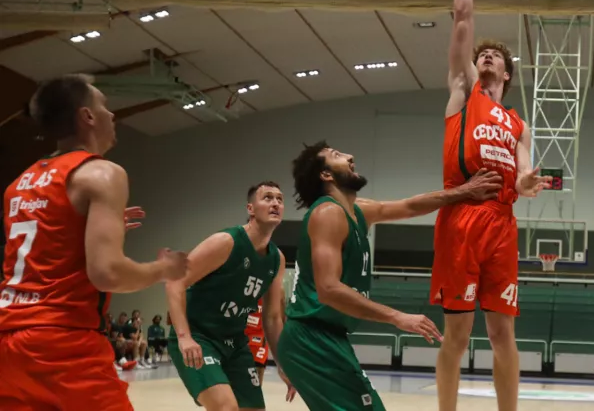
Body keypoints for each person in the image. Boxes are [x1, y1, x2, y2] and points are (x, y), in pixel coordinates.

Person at [0, 73, 187, 411]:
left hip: (8, 344)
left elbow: (47, 248)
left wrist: (92, 226)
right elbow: (107, 274)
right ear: (87, 116)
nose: (112, 114)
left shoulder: (18, 184)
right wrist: (164, 269)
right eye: (104, 106)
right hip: (63, 344)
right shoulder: (102, 173)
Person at [278, 141, 503, 411]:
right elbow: (329, 290)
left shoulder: (357, 211)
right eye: (337, 155)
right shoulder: (327, 213)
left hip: (326, 338)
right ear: (326, 174)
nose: (350, 156)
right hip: (310, 338)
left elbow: (409, 206)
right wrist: (397, 317)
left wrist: (464, 191)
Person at [433, 0, 552, 411]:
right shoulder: (464, 93)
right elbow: (462, 16)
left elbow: (525, 171)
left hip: (502, 224)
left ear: (506, 72)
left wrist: (525, 183)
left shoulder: (518, 123)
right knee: (457, 335)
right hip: (462, 215)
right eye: (480, 54)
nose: (484, 56)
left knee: (503, 334)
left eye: (494, 56)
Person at [166, 181, 295, 410]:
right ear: (250, 209)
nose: (275, 203)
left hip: (236, 344)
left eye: (279, 199)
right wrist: (184, 337)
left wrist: (283, 363)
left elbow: (273, 317)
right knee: (226, 408)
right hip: (200, 337)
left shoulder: (277, 259)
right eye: (267, 197)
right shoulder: (226, 242)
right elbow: (175, 281)